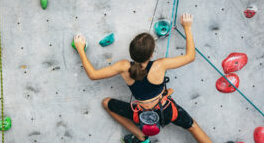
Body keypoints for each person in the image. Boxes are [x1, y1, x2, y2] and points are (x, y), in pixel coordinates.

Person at [73, 13, 212, 143]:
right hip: (167, 110)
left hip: (141, 116)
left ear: (131, 52)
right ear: (152, 54)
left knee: (106, 103)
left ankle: (141, 136)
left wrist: (80, 49)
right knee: (192, 126)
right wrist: (187, 27)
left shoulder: (123, 66)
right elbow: (190, 57)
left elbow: (93, 75)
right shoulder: (160, 65)